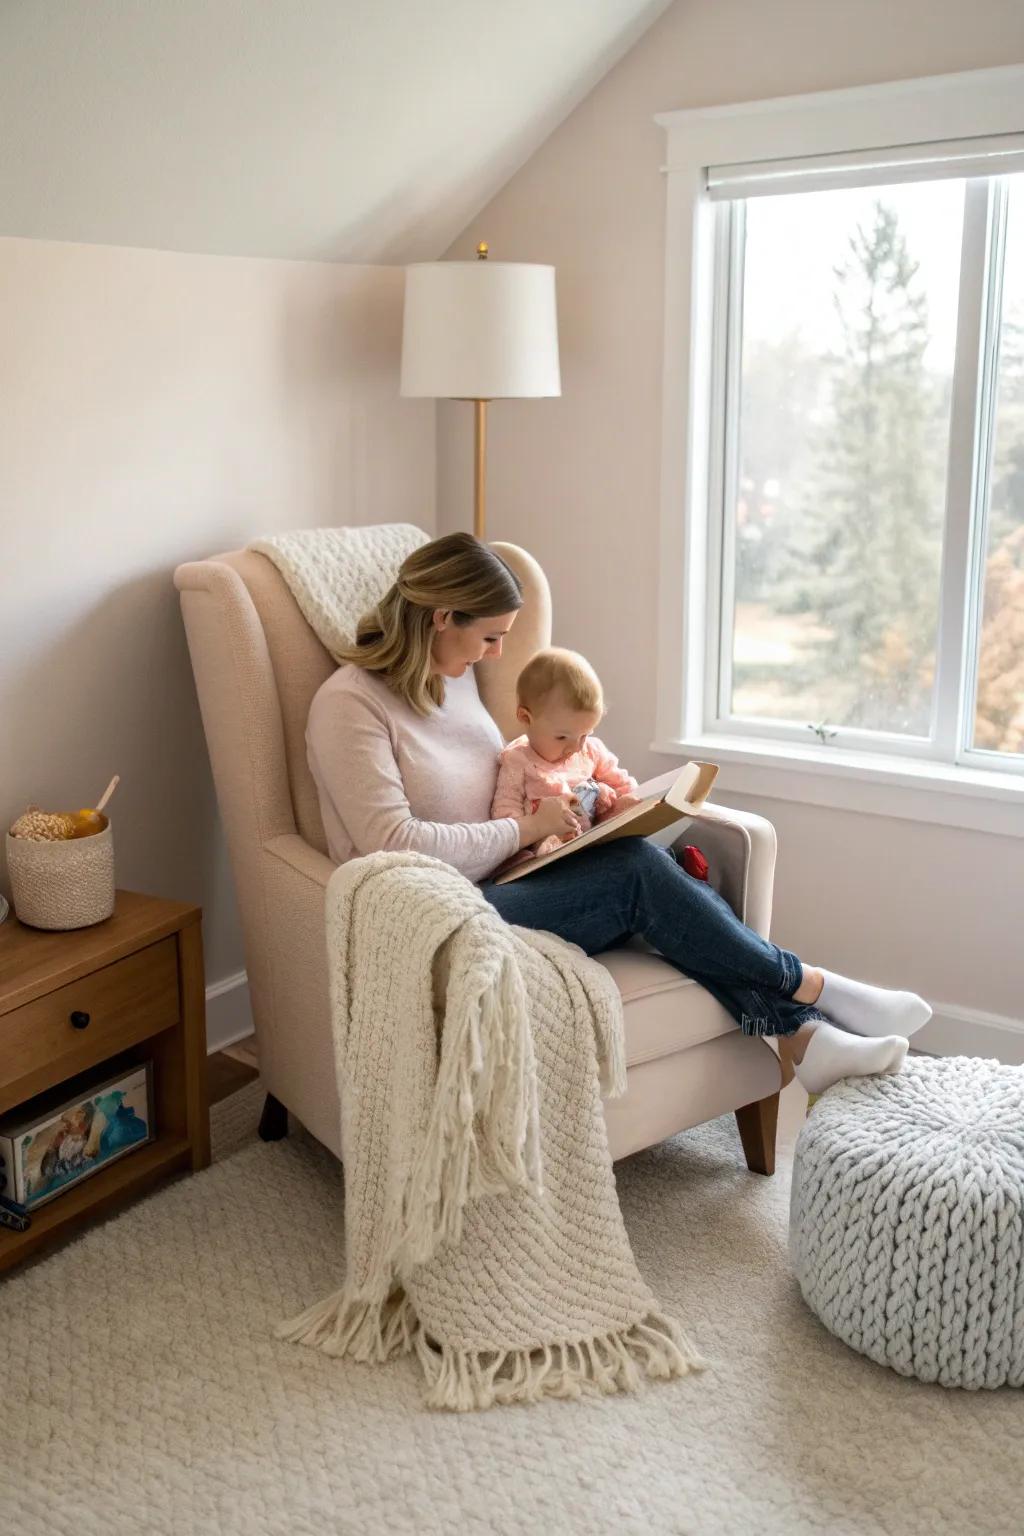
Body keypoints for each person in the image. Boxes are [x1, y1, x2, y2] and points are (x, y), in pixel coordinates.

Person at [306, 532, 931, 1095]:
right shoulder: (350, 706)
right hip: (433, 913)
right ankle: (813, 988)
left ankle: (806, 1040)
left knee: (658, 868)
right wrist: (527, 828)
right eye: (490, 635)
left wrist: (580, 816)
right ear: (442, 617)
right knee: (634, 872)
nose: (497, 654)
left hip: (506, 876)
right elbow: (394, 842)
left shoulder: (453, 679)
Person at [490, 647, 641, 858]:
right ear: (526, 718)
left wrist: (617, 795)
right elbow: (506, 812)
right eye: (562, 737)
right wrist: (524, 847)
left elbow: (625, 785)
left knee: (629, 813)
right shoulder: (517, 759)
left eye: (585, 734)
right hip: (546, 847)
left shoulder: (591, 750)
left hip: (592, 838)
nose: (576, 747)